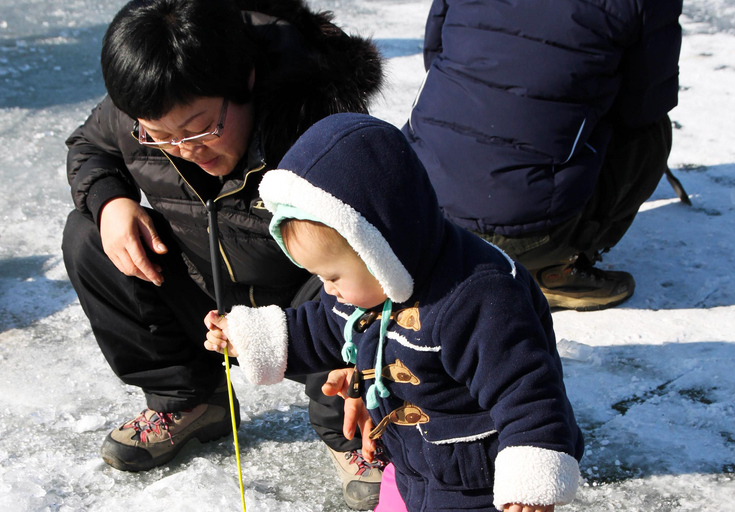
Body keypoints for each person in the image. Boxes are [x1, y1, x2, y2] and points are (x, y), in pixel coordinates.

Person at [61, 0, 386, 507]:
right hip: (202, 289)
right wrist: (112, 203)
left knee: (358, 274)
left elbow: (387, 250)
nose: (184, 147)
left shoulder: (320, 126)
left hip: (307, 304)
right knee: (87, 235)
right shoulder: (148, 100)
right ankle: (189, 398)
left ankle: (352, 431)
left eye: (198, 128)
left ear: (247, 80)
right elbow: (90, 147)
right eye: (159, 136)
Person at [204, 113, 584, 512]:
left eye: (332, 276)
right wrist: (248, 335)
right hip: (409, 462)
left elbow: (527, 391)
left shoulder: (478, 298)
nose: (327, 289)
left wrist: (529, 483)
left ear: (380, 249)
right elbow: (323, 324)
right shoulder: (375, 282)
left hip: (475, 482)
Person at [402, 0, 685, 311]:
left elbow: (434, 52)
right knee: (651, 132)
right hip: (528, 228)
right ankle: (553, 266)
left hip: (423, 207)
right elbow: (645, 105)